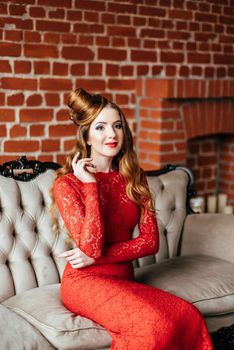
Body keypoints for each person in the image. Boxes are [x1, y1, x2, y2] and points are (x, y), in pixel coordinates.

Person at [52, 88, 213, 350]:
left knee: (187, 315)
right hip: (85, 283)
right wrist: (91, 186)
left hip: (123, 278)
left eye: (117, 126)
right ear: (87, 136)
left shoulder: (133, 179)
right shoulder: (68, 184)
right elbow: (90, 246)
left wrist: (99, 256)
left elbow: (151, 243)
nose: (112, 134)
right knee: (153, 327)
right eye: (101, 127)